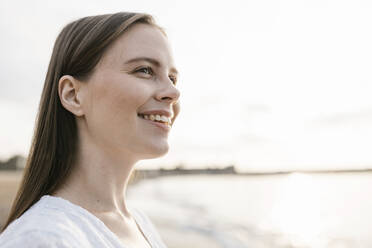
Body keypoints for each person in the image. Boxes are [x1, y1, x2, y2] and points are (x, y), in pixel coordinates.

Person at [0, 12, 180, 248]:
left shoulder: (140, 224)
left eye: (172, 78)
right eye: (145, 70)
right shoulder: (42, 239)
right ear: (73, 95)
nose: (173, 93)